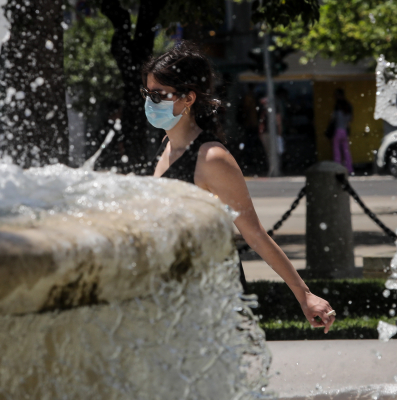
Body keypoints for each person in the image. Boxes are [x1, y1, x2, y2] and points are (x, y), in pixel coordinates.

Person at [141, 42, 335, 333]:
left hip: (211, 297)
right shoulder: (166, 146)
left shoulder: (212, 158)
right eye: (147, 93)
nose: (150, 101)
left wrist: (305, 295)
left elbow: (254, 234)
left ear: (188, 99)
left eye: (159, 95)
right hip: (172, 292)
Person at [330, 89, 354, 174]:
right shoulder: (348, 105)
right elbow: (350, 119)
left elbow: (333, 118)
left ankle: (338, 169)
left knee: (337, 151)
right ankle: (349, 168)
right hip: (345, 130)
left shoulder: (338, 106)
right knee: (346, 151)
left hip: (338, 130)